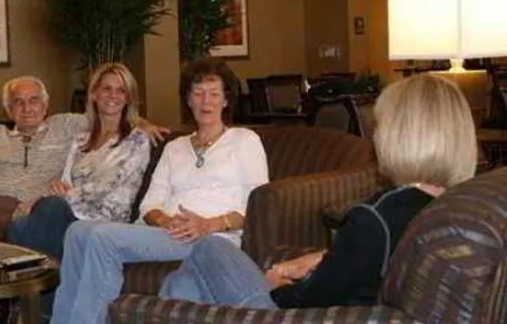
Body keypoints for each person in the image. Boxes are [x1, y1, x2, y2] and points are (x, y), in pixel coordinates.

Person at [159, 74, 476, 310]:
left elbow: (311, 297)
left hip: (289, 314)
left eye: (380, 126)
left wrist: (274, 286)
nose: (376, 136)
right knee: (183, 283)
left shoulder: (375, 218)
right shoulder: (458, 204)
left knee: (211, 248)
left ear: (400, 137)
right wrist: (312, 261)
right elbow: (366, 260)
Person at [51, 58, 269, 324]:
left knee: (100, 237)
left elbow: (258, 205)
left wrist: (209, 224)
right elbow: (149, 204)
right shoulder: (175, 147)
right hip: (170, 233)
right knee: (77, 232)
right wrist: (166, 220)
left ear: (226, 100)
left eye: (214, 94)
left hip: (214, 239)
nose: (206, 101)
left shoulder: (244, 140)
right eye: (198, 93)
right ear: (188, 100)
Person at [0, 76, 165, 239]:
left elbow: (110, 112)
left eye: (34, 100)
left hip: (34, 206)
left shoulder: (67, 126)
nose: (27, 108)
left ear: (45, 105)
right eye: (18, 102)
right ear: (9, 109)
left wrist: (143, 124)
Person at [6, 63, 151, 260]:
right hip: (71, 214)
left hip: (105, 220)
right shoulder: (81, 140)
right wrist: (54, 190)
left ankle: (44, 275)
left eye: (121, 90)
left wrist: (43, 199)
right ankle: (46, 274)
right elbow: (65, 181)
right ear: (94, 95)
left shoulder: (137, 140)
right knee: (19, 225)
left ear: (128, 98)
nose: (113, 95)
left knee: (46, 211)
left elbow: (105, 186)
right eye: (106, 88)